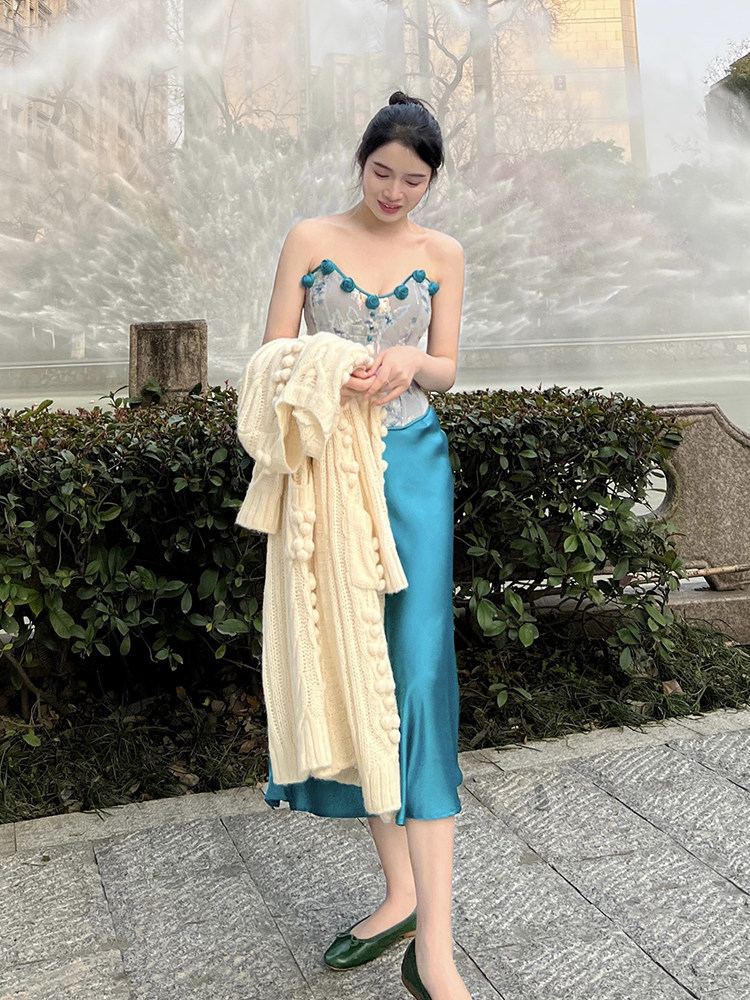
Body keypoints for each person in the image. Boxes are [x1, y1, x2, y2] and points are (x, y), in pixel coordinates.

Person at [259, 91, 470, 1000]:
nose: (394, 191)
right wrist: (328, 364)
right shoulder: (310, 238)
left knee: (418, 677)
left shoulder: (442, 253)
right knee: (358, 669)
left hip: (413, 467)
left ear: (431, 181)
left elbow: (447, 365)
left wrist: (412, 363)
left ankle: (436, 951)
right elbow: (271, 354)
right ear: (361, 162)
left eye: (413, 180)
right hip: (328, 476)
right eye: (382, 172)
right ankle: (400, 895)